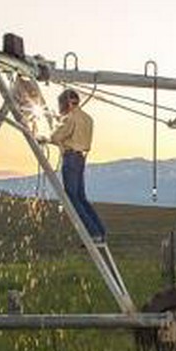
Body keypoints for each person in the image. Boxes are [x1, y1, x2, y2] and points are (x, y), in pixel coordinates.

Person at [48, 89, 107, 244]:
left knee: (72, 197)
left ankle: (93, 233)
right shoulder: (88, 118)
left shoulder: (71, 118)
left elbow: (56, 136)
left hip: (71, 157)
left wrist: (50, 136)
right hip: (81, 158)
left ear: (67, 102)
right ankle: (99, 231)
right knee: (81, 197)